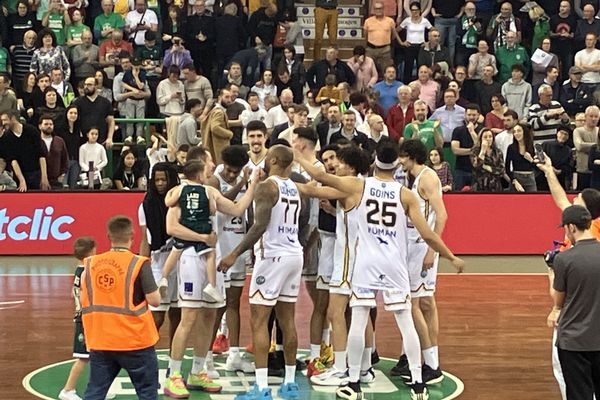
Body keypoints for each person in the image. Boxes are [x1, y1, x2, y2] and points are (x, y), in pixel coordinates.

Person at [294, 142, 464, 400]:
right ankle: (419, 385)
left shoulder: (359, 185)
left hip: (366, 262)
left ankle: (353, 382)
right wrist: (450, 256)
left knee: (358, 320)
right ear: (397, 164)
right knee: (406, 322)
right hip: (395, 264)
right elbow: (427, 233)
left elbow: (318, 177)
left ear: (375, 162)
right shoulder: (406, 194)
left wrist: (297, 156)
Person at [163, 164, 259, 399]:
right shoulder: (180, 194)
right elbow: (172, 228)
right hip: (191, 257)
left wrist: (253, 183)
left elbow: (238, 209)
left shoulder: (211, 194)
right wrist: (203, 237)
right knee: (188, 317)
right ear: (199, 172)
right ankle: (173, 375)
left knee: (209, 315)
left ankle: (197, 371)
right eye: (207, 165)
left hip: (210, 258)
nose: (211, 170)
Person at [218, 145, 305, 400]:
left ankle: (262, 387)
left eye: (268, 156)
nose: (263, 159)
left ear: (275, 159)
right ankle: (289, 384)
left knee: (259, 320)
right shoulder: (294, 188)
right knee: (287, 320)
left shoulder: (268, 187)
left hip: (272, 257)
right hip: (293, 254)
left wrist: (234, 253)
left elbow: (260, 225)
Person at [79, 216, 160, 400]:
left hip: (100, 339)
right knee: (147, 393)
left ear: (108, 236)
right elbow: (155, 301)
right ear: (132, 235)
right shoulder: (139, 263)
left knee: (95, 392)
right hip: (135, 341)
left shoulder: (90, 264)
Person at [393, 139, 448, 385]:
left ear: (411, 156)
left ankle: (431, 363)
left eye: (402, 156)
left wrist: (431, 249)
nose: (400, 161)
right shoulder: (415, 178)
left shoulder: (427, 178)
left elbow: (443, 214)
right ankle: (412, 355)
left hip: (420, 246)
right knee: (424, 302)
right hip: (412, 245)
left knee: (416, 304)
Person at [205, 146, 255, 373]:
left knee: (234, 304)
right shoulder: (213, 181)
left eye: (237, 172)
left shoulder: (247, 179)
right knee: (218, 306)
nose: (233, 174)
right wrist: (241, 184)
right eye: (230, 170)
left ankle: (233, 354)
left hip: (238, 247)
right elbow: (225, 205)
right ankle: (204, 357)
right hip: (219, 249)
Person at [548, 205, 600, 400]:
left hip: (574, 341)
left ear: (571, 227)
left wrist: (551, 275)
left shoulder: (564, 259)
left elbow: (558, 299)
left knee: (579, 394)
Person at [138, 163, 182, 347]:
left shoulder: (180, 202)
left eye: (164, 179)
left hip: (181, 264)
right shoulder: (145, 205)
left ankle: (175, 354)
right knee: (157, 316)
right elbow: (145, 240)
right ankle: (143, 350)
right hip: (159, 264)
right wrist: (141, 267)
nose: (160, 183)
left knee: (177, 313)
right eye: (156, 180)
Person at [59, 237, 100, 400]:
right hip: (85, 320)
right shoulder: (88, 272)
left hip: (85, 317)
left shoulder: (79, 270)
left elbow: (73, 293)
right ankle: (67, 390)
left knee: (97, 355)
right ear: (91, 251)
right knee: (83, 357)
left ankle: (98, 387)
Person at [0, 109, 50, 191]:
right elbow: (13, 160)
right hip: (20, 174)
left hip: (36, 173)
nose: (3, 123)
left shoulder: (31, 130)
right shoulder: (6, 137)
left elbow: (41, 155)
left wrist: (44, 177)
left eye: (5, 120)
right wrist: (22, 180)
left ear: (13, 118)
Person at [73, 76, 115, 148]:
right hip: (82, 141)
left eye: (89, 85)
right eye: (85, 84)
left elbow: (111, 121)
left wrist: (110, 138)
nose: (86, 87)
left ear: (96, 86)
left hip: (101, 141)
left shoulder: (105, 102)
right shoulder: (77, 102)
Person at [397, 2, 432, 83]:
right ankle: (406, 85)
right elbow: (396, 31)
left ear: (419, 10)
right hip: (409, 46)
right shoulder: (407, 20)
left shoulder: (424, 21)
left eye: (416, 10)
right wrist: (401, 42)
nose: (414, 12)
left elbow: (433, 30)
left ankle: (421, 85)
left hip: (421, 46)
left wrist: (428, 42)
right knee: (408, 68)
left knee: (421, 67)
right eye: (412, 10)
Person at [451, 103, 482, 190]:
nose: (471, 117)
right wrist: (474, 151)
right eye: (469, 115)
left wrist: (472, 132)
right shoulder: (458, 130)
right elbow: (455, 150)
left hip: (478, 171)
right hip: (461, 170)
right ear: (465, 115)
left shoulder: (483, 130)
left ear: (478, 115)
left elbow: (482, 148)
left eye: (474, 115)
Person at [202, 89, 234, 164]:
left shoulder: (215, 110)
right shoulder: (219, 112)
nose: (229, 100)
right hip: (218, 148)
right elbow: (215, 128)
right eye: (226, 97)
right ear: (219, 98)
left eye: (230, 97)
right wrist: (229, 134)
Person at [574, 105, 600, 190]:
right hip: (583, 170)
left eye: (596, 116)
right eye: (591, 116)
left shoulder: (598, 131)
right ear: (585, 117)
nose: (593, 119)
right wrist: (596, 146)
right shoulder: (578, 131)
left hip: (597, 171)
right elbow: (579, 145)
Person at [505, 123, 537, 192]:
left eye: (519, 131)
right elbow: (506, 167)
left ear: (524, 132)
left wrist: (531, 160)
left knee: (532, 201)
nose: (516, 133)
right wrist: (514, 181)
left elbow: (538, 168)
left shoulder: (532, 147)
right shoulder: (511, 148)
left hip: (530, 179)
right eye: (514, 132)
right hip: (516, 178)